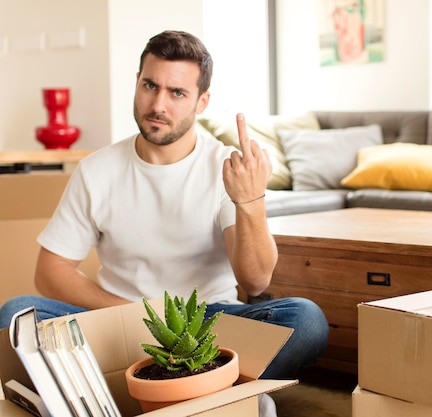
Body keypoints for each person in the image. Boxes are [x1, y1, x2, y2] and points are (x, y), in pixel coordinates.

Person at [0, 30, 328, 385]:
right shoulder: (97, 169)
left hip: (206, 325)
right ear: (137, 83)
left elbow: (255, 279)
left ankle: (152, 387)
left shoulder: (223, 167)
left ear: (202, 102)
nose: (158, 105)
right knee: (15, 314)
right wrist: (136, 314)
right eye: (150, 86)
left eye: (177, 93)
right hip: (121, 321)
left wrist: (249, 200)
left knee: (306, 320)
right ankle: (213, 388)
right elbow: (50, 271)